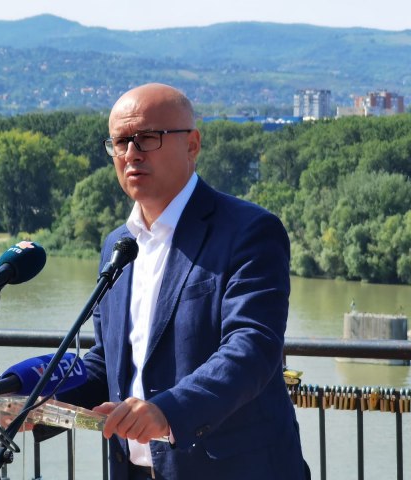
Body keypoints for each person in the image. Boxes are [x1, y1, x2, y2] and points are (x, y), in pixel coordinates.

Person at [57, 83, 309, 479]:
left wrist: (168, 412)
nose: (131, 153)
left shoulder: (248, 231)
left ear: (192, 145)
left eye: (147, 138)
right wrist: (34, 397)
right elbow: (107, 362)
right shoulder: (118, 246)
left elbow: (252, 348)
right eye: (120, 142)